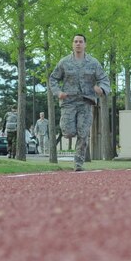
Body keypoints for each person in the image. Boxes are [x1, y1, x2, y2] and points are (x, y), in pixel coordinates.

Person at [49, 34, 110, 172]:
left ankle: (78, 163)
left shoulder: (93, 63)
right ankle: (68, 129)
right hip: (68, 102)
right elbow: (53, 79)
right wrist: (58, 93)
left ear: (85, 44)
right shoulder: (64, 62)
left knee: (83, 134)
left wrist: (100, 89)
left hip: (86, 102)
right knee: (68, 132)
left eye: (80, 42)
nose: (78, 44)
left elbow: (104, 79)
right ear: (72, 44)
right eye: (75, 41)